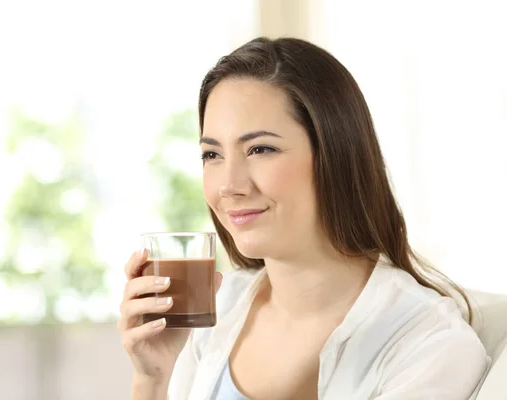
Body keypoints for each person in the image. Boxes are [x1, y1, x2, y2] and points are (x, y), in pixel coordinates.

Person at [118, 37, 490, 400]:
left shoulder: (426, 342)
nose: (229, 186)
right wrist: (152, 380)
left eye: (260, 149)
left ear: (336, 155)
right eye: (212, 155)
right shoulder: (216, 309)